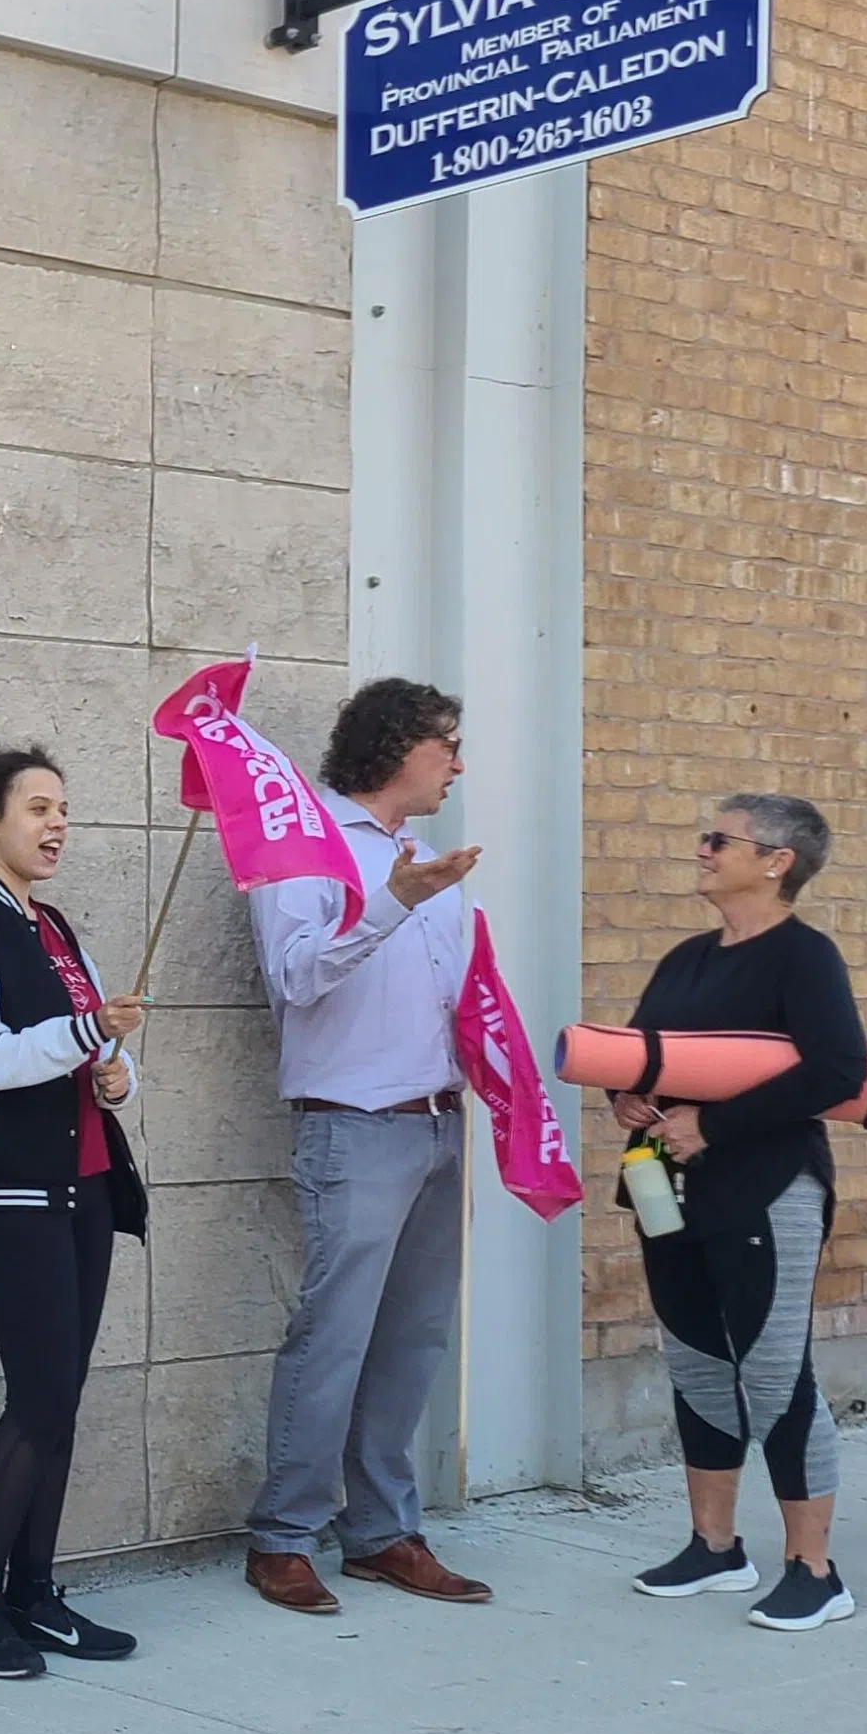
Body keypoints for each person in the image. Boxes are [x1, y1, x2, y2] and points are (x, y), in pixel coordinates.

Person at [242, 677, 500, 1617]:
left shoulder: (427, 858)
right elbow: (296, 974)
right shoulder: (303, 850)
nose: (458, 764)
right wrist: (390, 901)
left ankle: (382, 1532)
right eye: (447, 744)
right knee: (334, 1338)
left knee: (414, 1339)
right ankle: (282, 1537)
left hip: (437, 1122)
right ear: (396, 748)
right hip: (352, 1126)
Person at [0, 750, 149, 1681]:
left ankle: (34, 1594)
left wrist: (115, 1072)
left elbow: (85, 1054)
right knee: (40, 1395)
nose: (55, 825)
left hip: (83, 1177)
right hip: (3, 1182)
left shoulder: (53, 926)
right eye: (36, 808)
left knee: (62, 1399)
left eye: (63, 809)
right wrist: (86, 1036)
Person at [613, 793, 867, 1632]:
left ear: (775, 860)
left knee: (771, 1371)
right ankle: (715, 1547)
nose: (701, 850)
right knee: (693, 1360)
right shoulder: (688, 958)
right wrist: (631, 1096)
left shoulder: (804, 958)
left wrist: (711, 1124)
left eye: (717, 839)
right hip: (666, 1186)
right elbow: (643, 1048)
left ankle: (815, 1570)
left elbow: (836, 1069)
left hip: (767, 1187)